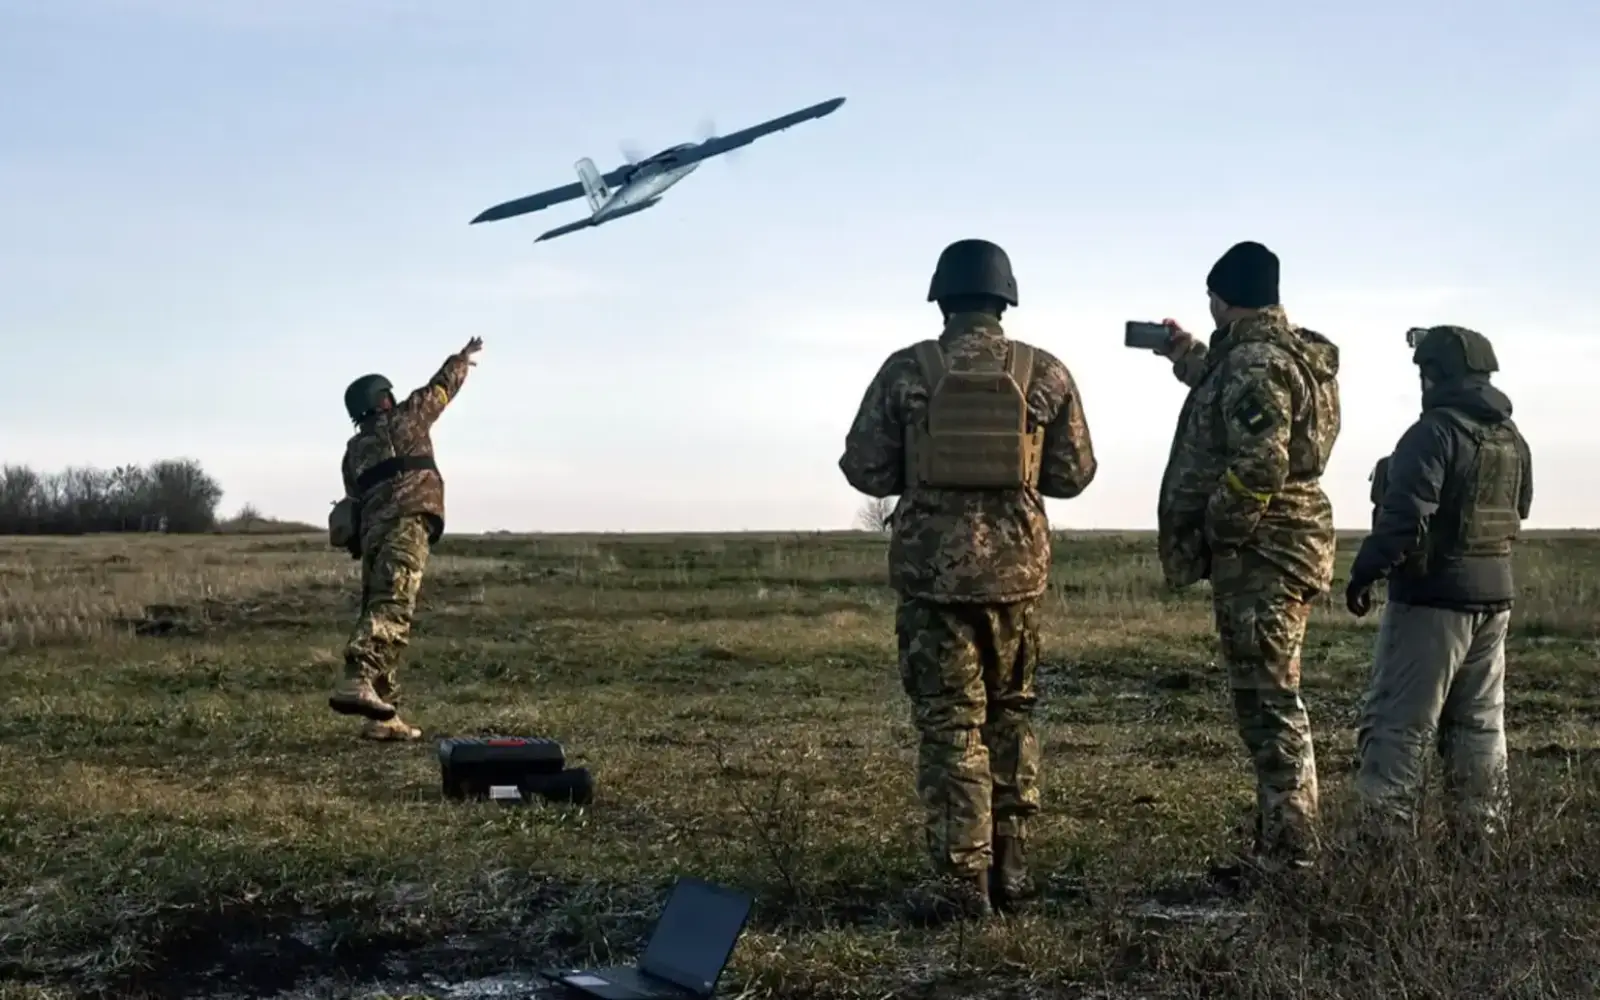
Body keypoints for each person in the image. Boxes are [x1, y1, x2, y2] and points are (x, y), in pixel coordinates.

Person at [839, 239, 1098, 919]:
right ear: (1005, 299)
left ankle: (963, 883)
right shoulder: (1045, 372)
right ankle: (1012, 869)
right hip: (1017, 581)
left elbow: (864, 468)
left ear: (942, 299)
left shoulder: (907, 370)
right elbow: (1073, 475)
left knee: (952, 726)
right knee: (1011, 716)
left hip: (933, 582)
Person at [1149, 241, 1341, 871]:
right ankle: (1280, 844)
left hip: (1266, 553)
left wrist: (1219, 530)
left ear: (1224, 299)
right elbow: (1224, 387)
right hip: (1284, 545)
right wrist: (1183, 353)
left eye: (1211, 297)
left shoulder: (1256, 362)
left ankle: (1293, 857)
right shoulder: (1279, 354)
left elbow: (1261, 461)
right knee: (1266, 697)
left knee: (1269, 703)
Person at [1345, 326, 1532, 846]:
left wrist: (1365, 572)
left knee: (1398, 724)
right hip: (1494, 599)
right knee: (1479, 726)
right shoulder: (1511, 437)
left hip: (1432, 601)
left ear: (1433, 375)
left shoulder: (1432, 433)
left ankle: (1382, 848)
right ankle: (1481, 844)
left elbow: (1405, 519)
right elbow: (1521, 508)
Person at [329, 337, 483, 741]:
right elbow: (441, 388)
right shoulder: (407, 419)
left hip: (372, 534)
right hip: (406, 522)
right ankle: (358, 675)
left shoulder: (353, 451)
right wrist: (461, 359)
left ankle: (383, 716)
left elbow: (353, 498)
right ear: (383, 399)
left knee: (377, 606)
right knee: (394, 607)